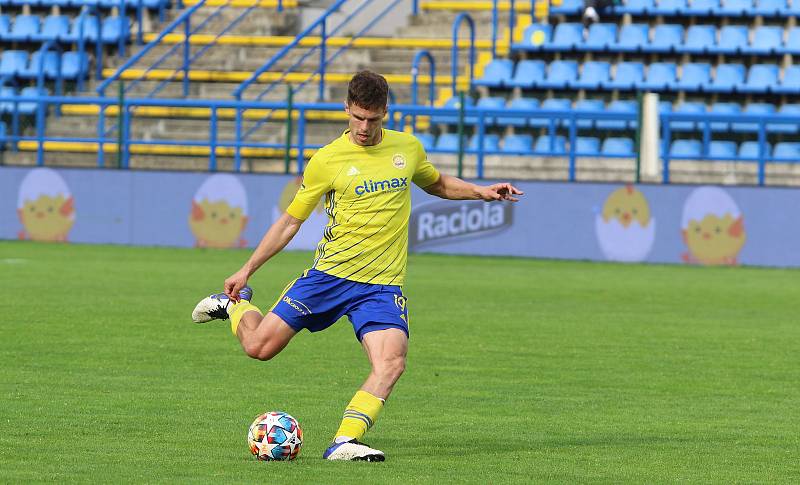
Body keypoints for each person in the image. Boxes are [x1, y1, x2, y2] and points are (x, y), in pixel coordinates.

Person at [191, 70, 523, 462]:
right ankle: (236, 305)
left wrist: (480, 192)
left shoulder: (407, 149)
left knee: (392, 362)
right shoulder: (327, 160)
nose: (365, 128)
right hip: (329, 276)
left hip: (381, 287)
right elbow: (290, 222)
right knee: (258, 348)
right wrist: (247, 270)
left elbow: (435, 183)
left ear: (385, 112)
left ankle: (344, 441)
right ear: (347, 108)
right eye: (358, 117)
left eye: (374, 119)